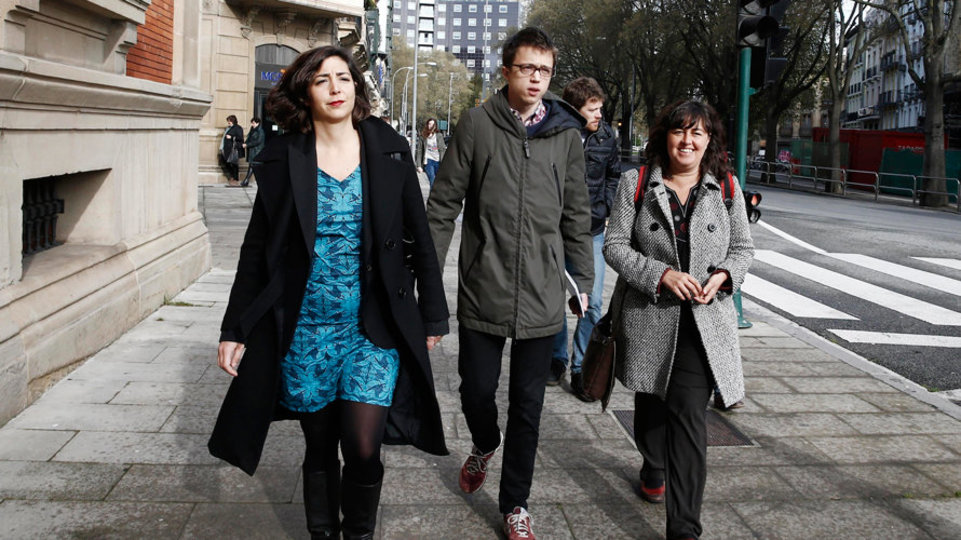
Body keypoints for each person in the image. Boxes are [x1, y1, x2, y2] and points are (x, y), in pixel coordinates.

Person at [207, 46, 450, 540]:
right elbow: (256, 251)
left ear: (356, 88)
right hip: (305, 328)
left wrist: (433, 315)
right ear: (307, 92)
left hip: (372, 325)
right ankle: (323, 534)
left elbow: (418, 236)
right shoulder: (283, 157)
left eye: (344, 77)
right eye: (322, 80)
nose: (336, 87)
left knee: (363, 445)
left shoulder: (388, 148)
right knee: (318, 444)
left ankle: (357, 534)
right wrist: (235, 328)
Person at [426, 27, 593, 540]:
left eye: (544, 70)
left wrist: (581, 280)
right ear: (506, 71)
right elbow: (443, 208)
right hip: (485, 287)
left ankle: (515, 504)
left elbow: (576, 216)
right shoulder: (476, 125)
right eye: (526, 68)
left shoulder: (565, 136)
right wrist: (430, 288)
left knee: (529, 406)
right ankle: (483, 441)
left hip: (543, 294)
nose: (536, 79)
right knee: (476, 390)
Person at [603, 100, 754, 540]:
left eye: (697, 133)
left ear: (709, 141)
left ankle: (684, 528)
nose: (687, 141)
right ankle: (652, 465)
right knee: (651, 403)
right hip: (651, 317)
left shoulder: (725, 186)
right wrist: (661, 274)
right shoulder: (636, 183)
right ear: (664, 136)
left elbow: (743, 248)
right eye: (679, 131)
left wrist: (725, 275)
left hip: (704, 324)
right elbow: (614, 245)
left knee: (689, 417)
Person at [546, 77, 621, 399]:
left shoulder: (607, 137)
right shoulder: (557, 134)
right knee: (553, 301)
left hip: (592, 231)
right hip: (555, 231)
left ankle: (580, 366)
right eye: (593, 109)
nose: (599, 115)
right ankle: (557, 358)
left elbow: (613, 174)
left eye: (600, 108)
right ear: (576, 110)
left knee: (593, 305)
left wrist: (604, 206)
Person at [414, 118, 446, 188]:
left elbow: (442, 149)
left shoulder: (439, 135)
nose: (431, 125)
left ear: (435, 126)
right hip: (428, 161)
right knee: (432, 179)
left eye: (433, 124)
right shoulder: (423, 136)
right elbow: (419, 151)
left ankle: (435, 197)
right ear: (427, 125)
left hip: (438, 161)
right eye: (429, 124)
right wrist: (418, 165)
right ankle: (432, 198)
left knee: (438, 182)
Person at [240, 117, 265, 187]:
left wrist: (247, 144)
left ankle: (246, 181)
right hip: (253, 150)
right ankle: (246, 181)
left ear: (258, 123)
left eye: (253, 123)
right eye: (252, 123)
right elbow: (249, 138)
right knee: (252, 165)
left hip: (256, 151)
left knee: (254, 165)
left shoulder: (260, 131)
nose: (252, 124)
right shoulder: (253, 130)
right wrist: (245, 143)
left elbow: (258, 141)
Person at [220, 115, 244, 185]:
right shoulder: (229, 128)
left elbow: (240, 138)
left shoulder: (238, 128)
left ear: (233, 121)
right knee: (227, 162)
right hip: (227, 149)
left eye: (229, 121)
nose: (228, 123)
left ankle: (235, 178)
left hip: (233, 149)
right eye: (228, 121)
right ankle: (233, 177)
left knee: (234, 164)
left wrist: (231, 137)